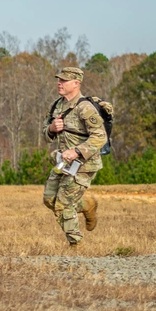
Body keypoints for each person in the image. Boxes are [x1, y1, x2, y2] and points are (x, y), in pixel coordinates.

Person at [43, 66, 106, 246]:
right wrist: (51, 129)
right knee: (49, 200)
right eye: (59, 79)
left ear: (76, 83)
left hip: (84, 164)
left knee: (63, 204)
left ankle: (76, 246)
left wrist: (77, 151)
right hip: (63, 163)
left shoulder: (85, 108)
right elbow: (45, 134)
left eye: (64, 80)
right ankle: (87, 205)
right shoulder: (56, 106)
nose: (59, 83)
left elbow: (100, 137)